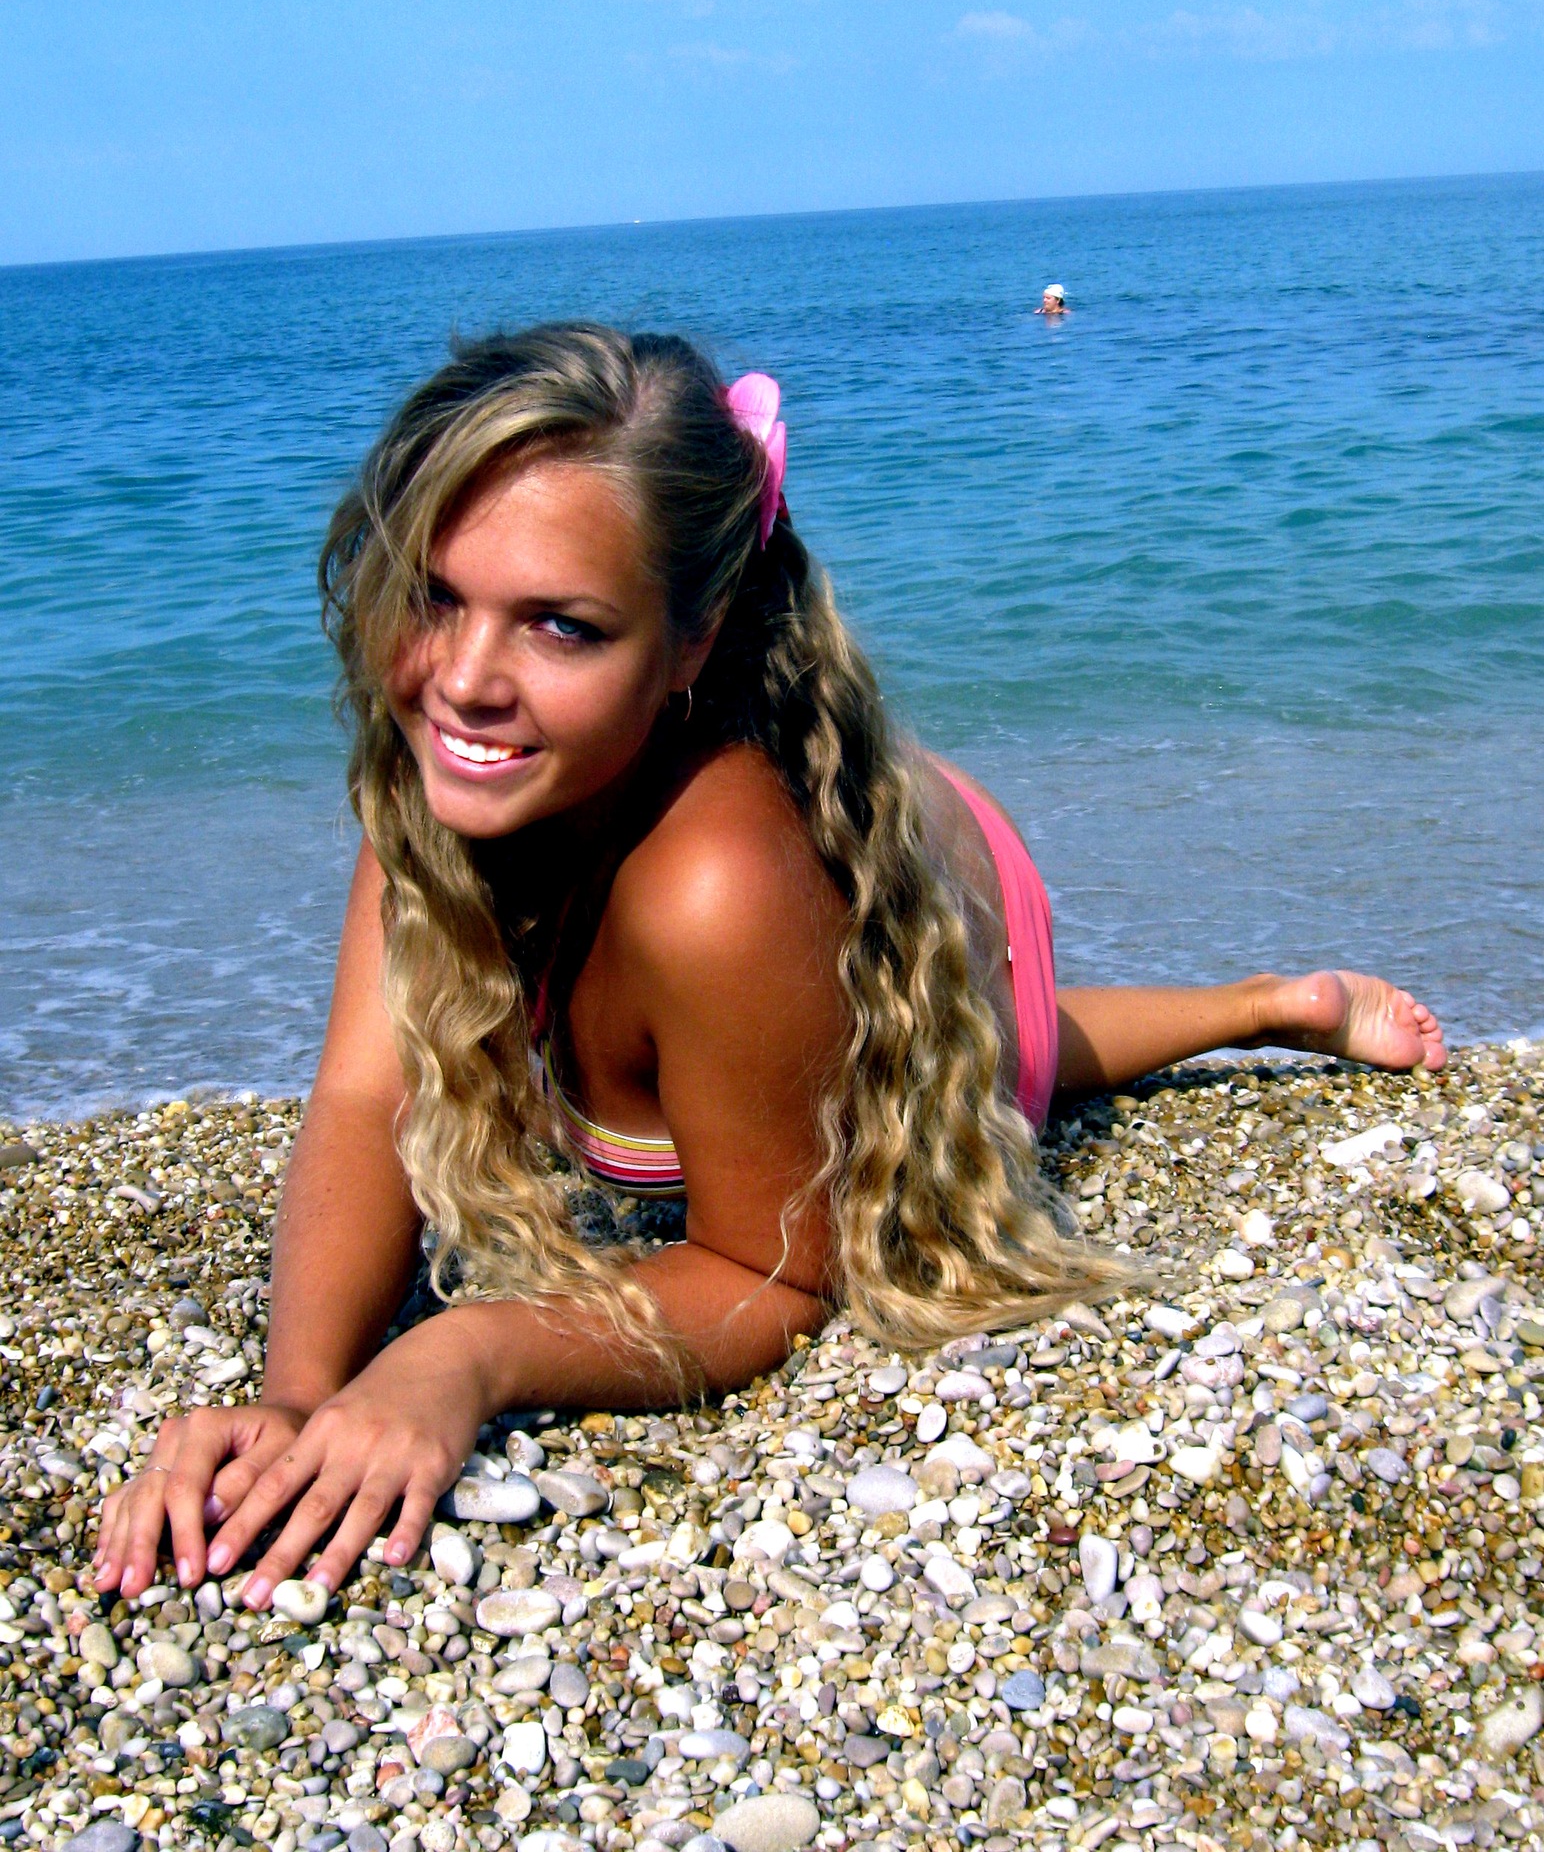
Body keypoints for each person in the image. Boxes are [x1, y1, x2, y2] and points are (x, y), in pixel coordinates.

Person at [93, 324, 1446, 1609]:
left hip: (926, 887)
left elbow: (772, 1271)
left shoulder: (717, 887)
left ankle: (1267, 1007)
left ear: (694, 639)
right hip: (751, 889)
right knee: (835, 1061)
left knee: (987, 1062)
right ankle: (1265, 999)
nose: (465, 680)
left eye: (561, 626)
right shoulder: (453, 772)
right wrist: (296, 1398)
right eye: (435, 597)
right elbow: (361, 1096)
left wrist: (468, 1355)